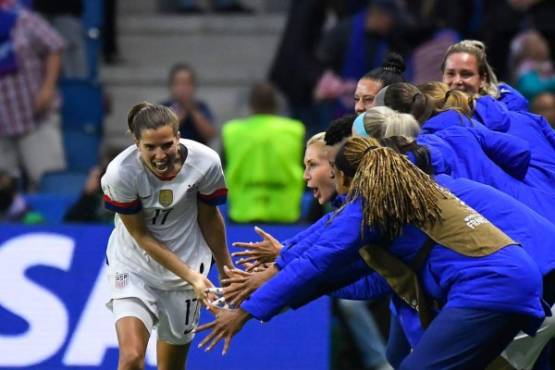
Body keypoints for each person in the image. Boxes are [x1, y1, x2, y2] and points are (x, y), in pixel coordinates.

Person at [197, 136, 546, 369]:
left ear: (346, 176)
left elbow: (320, 259)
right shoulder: (404, 193)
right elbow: (344, 272)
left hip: (489, 288)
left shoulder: (370, 205)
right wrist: (277, 273)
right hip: (515, 278)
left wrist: (244, 312)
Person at [100, 102, 233, 370]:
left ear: (178, 137)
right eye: (150, 147)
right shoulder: (120, 174)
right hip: (134, 267)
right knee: (131, 357)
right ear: (136, 143)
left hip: (187, 271)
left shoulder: (206, 162)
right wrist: (194, 277)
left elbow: (209, 218)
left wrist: (227, 268)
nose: (160, 155)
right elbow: (141, 235)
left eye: (166, 145)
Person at [0, 1, 66, 190]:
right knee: (4, 193)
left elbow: (54, 46)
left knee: (47, 182)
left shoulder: (24, 20)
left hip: (35, 118)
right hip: (3, 125)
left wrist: (48, 88)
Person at [221, 82, 305, 223]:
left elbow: (221, 169)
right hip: (285, 214)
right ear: (276, 105)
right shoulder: (295, 131)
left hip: (242, 213)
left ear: (250, 105)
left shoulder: (231, 132)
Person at [161, 63, 217, 145]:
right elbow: (159, 134)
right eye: (178, 83)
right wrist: (176, 119)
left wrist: (193, 112)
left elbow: (211, 134)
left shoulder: (201, 107)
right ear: (171, 86)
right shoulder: (163, 108)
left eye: (187, 84)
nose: (183, 88)